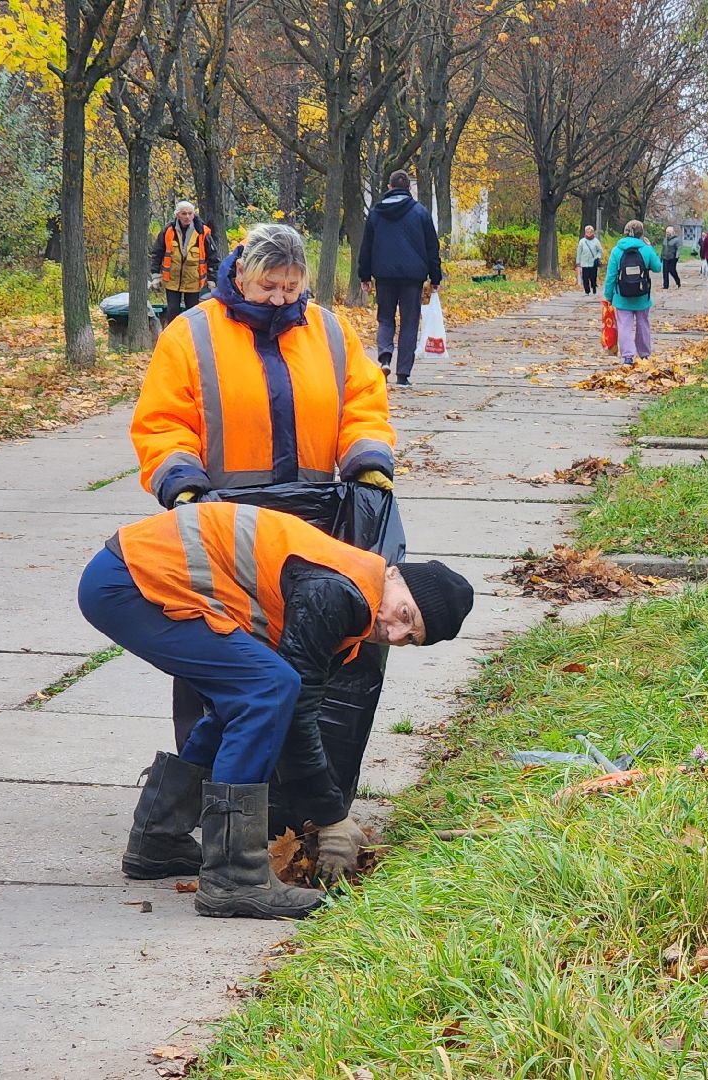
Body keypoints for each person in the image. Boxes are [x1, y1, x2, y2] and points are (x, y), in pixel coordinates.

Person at [130, 222, 397, 880]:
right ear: (240, 275)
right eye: (267, 285)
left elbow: (362, 402)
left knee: (317, 665)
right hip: (223, 519)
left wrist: (367, 463)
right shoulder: (191, 335)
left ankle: (303, 801)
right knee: (221, 663)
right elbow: (163, 423)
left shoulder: (331, 333)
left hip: (312, 515)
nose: (279, 298)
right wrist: (184, 488)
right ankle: (215, 808)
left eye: (291, 286)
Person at [80, 502, 473, 918]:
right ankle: (233, 878)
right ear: (393, 574)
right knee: (269, 686)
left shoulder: (353, 597)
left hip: (125, 577)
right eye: (404, 614)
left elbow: (294, 716)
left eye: (409, 638)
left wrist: (327, 812)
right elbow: (297, 713)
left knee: (253, 696)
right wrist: (331, 817)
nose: (393, 632)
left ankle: (158, 837)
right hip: (128, 582)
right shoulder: (338, 591)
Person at [357, 170, 443, 386]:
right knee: (409, 323)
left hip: (384, 276)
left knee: (385, 319)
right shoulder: (421, 213)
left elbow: (366, 246)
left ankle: (385, 358)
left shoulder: (376, 213)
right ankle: (403, 375)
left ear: (389, 187)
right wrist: (435, 277)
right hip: (412, 278)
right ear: (408, 188)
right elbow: (432, 247)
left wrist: (364, 275)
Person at [603, 220, 663, 365]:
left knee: (624, 326)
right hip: (642, 296)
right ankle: (644, 355)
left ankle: (628, 356)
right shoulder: (646, 249)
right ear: (641, 233)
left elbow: (611, 276)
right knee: (643, 324)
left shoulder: (617, 250)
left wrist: (608, 296)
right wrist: (650, 248)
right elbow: (657, 267)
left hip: (622, 296)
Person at [150, 201, 216, 329]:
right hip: (172, 280)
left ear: (193, 214)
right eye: (184, 213)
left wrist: (212, 279)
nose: (187, 216)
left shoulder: (203, 232)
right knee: (172, 311)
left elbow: (213, 256)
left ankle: (190, 339)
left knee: (192, 313)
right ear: (177, 215)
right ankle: (170, 339)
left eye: (190, 213)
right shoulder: (168, 230)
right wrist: (155, 275)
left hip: (194, 281)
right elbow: (157, 252)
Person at [575, 226, 602, 295]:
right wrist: (578, 262)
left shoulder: (596, 241)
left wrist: (597, 257)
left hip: (593, 263)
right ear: (585, 232)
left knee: (593, 277)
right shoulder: (582, 241)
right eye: (587, 232)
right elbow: (579, 252)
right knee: (585, 278)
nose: (589, 233)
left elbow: (600, 251)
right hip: (584, 263)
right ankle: (587, 291)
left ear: (593, 232)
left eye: (590, 232)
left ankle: (594, 287)